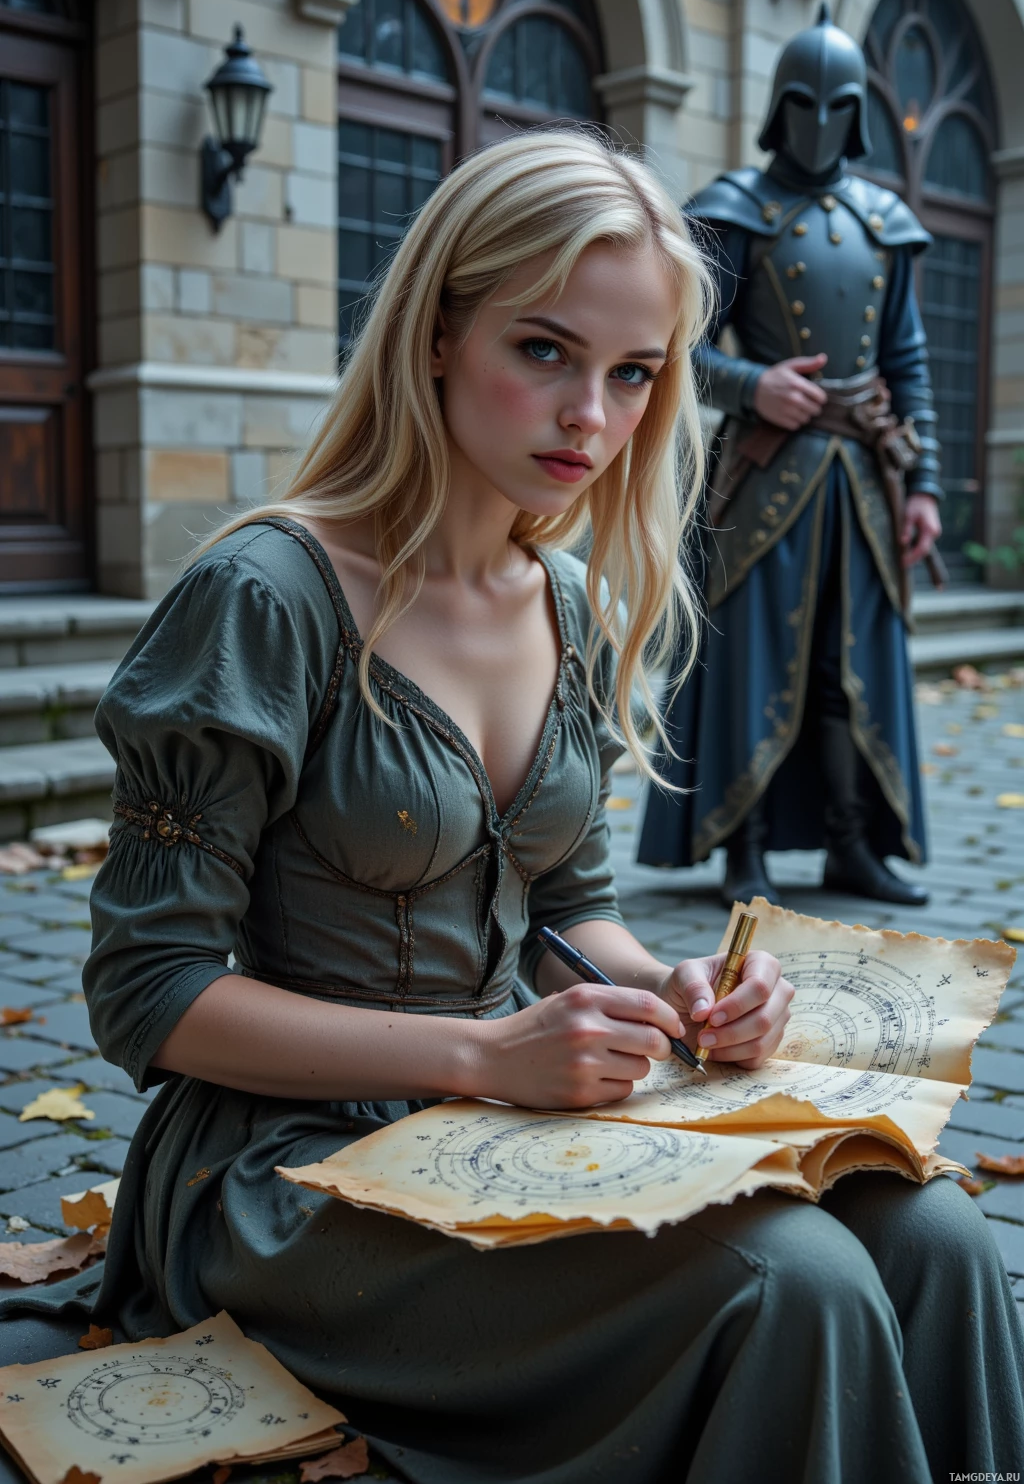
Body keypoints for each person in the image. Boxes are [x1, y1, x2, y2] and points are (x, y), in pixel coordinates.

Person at [5, 131, 1022, 1484]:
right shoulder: (266, 598)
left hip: (503, 1131)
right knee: (795, 1282)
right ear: (436, 333)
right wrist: (483, 1058)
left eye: (634, 373)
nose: (590, 418)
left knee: (939, 1237)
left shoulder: (574, 604)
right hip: (281, 1173)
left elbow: (572, 908)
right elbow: (151, 997)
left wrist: (675, 990)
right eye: (542, 350)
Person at [639, 8, 943, 910]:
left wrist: (923, 482)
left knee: (845, 668)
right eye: (803, 103)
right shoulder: (736, 208)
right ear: (780, 105)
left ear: (857, 113)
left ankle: (851, 844)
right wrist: (753, 385)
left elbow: (909, 363)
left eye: (836, 105)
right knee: (754, 661)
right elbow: (676, 342)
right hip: (764, 476)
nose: (818, 122)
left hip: (863, 483)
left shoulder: (884, 220)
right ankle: (747, 849)